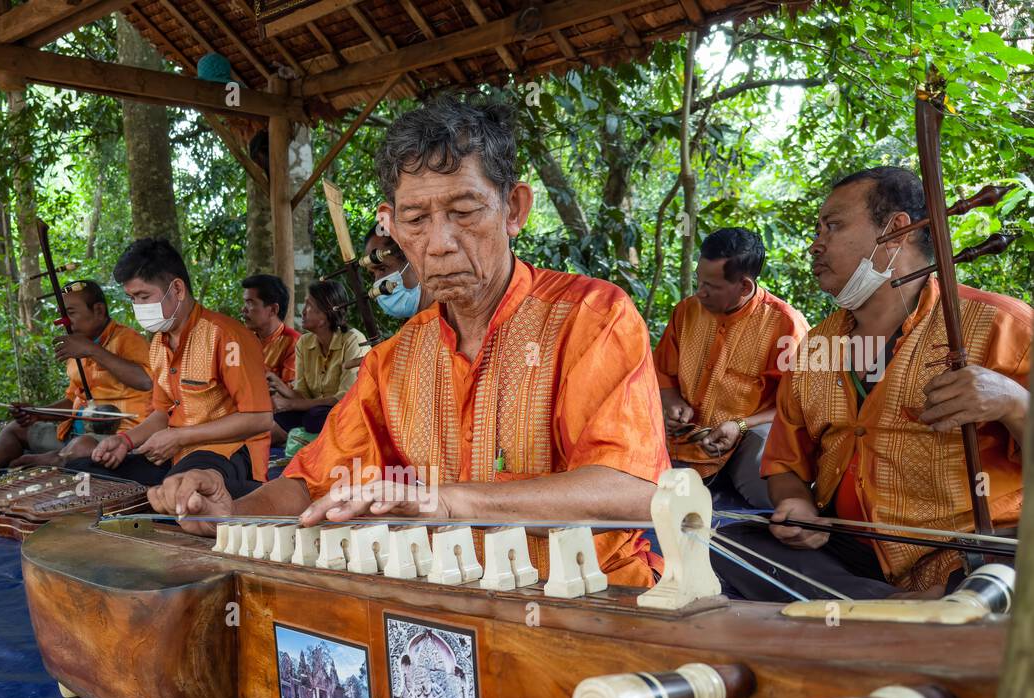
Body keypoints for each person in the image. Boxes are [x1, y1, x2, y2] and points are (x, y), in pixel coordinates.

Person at [146, 95, 668, 588]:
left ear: (514, 209)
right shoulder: (394, 360)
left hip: (598, 601)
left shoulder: (592, 318)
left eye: (464, 211)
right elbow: (312, 482)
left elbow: (633, 489)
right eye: (416, 219)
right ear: (392, 226)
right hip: (444, 603)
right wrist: (233, 513)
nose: (439, 243)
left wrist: (444, 502)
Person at [712, 166, 1031, 599]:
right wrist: (799, 507)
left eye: (833, 225)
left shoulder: (1001, 324)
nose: (815, 244)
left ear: (896, 231)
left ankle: (881, 611)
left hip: (968, 551)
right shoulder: (815, 347)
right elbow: (786, 465)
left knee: (1013, 564)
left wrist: (1015, 404)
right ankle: (909, 611)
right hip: (849, 551)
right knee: (728, 543)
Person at [68, 237, 273, 496]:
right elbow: (162, 414)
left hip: (228, 454)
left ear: (177, 289)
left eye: (144, 296)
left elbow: (259, 419)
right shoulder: (158, 344)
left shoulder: (226, 336)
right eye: (132, 298)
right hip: (176, 455)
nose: (138, 307)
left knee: (178, 492)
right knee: (84, 474)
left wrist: (179, 437)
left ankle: (249, 496)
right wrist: (124, 441)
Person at [654, 227, 808, 509]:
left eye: (711, 286)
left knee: (769, 489)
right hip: (685, 440)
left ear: (745, 287)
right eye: (699, 281)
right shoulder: (686, 312)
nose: (700, 293)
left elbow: (798, 406)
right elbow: (663, 373)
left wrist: (740, 425)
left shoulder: (786, 325)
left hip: (747, 436)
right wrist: (672, 402)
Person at [0, 280, 152, 478]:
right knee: (15, 430)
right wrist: (37, 413)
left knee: (82, 447)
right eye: (62, 314)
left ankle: (52, 459)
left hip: (115, 438)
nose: (64, 321)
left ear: (99, 310)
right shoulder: (77, 346)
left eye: (71, 312)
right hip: (71, 435)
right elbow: (73, 401)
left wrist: (92, 350)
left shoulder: (127, 339)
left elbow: (147, 381)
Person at [267, 280, 367, 444]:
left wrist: (291, 405)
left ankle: (303, 442)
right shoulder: (304, 343)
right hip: (314, 412)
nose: (303, 311)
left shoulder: (353, 340)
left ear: (325, 314)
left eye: (309, 305)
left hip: (348, 412)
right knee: (278, 417)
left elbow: (344, 399)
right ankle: (300, 441)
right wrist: (279, 385)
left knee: (315, 418)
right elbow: (303, 395)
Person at [362, 227, 429, 329]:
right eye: (372, 275)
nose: (377, 282)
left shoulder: (456, 316)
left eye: (382, 268)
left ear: (415, 260)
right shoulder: (409, 331)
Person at [242, 273, 300, 384]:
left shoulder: (295, 344)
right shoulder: (244, 340)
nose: (243, 309)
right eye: (245, 302)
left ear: (273, 309)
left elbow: (289, 393)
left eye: (250, 303)